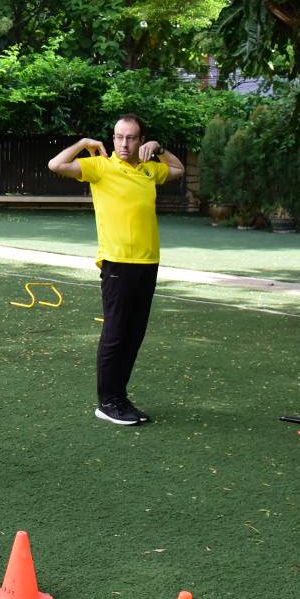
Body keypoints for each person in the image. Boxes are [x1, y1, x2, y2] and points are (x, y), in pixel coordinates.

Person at [49, 114, 185, 425]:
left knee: (134, 334)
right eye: (119, 137)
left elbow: (178, 170)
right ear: (113, 139)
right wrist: (84, 143)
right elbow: (56, 165)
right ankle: (107, 402)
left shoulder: (150, 169)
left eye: (131, 138)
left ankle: (120, 398)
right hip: (117, 263)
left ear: (141, 140)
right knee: (115, 334)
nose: (124, 143)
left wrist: (160, 148)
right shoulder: (100, 167)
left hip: (147, 263)